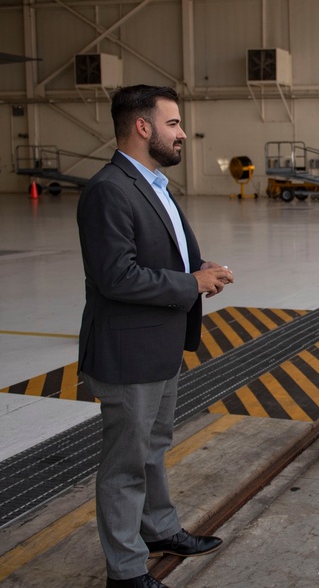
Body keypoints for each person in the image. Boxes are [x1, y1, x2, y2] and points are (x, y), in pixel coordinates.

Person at [78, 85, 233, 588]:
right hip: (127, 352)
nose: (182, 133)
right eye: (173, 123)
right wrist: (189, 284)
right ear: (142, 128)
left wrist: (197, 268)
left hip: (159, 345)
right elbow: (115, 276)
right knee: (125, 463)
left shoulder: (154, 184)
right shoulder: (110, 189)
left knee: (153, 447)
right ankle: (124, 572)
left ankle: (160, 530)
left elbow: (153, 258)